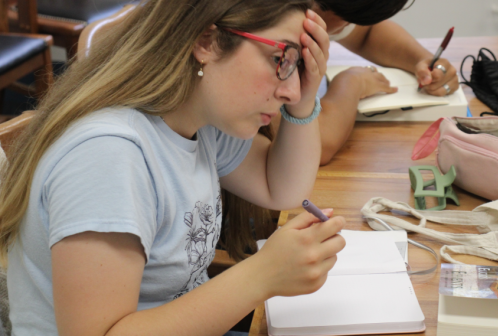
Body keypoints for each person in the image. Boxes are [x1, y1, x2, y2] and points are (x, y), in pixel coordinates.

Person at [0, 0, 346, 335]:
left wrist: (304, 102)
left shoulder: (198, 120)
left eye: (298, 67)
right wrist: (262, 276)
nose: (292, 90)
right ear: (206, 41)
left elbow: (282, 188)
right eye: (280, 59)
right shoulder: (108, 155)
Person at [308, 0, 461, 165]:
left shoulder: (320, 10)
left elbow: (366, 34)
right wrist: (352, 81)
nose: (348, 27)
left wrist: (423, 61)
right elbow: (313, 144)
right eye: (347, 22)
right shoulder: (282, 26)